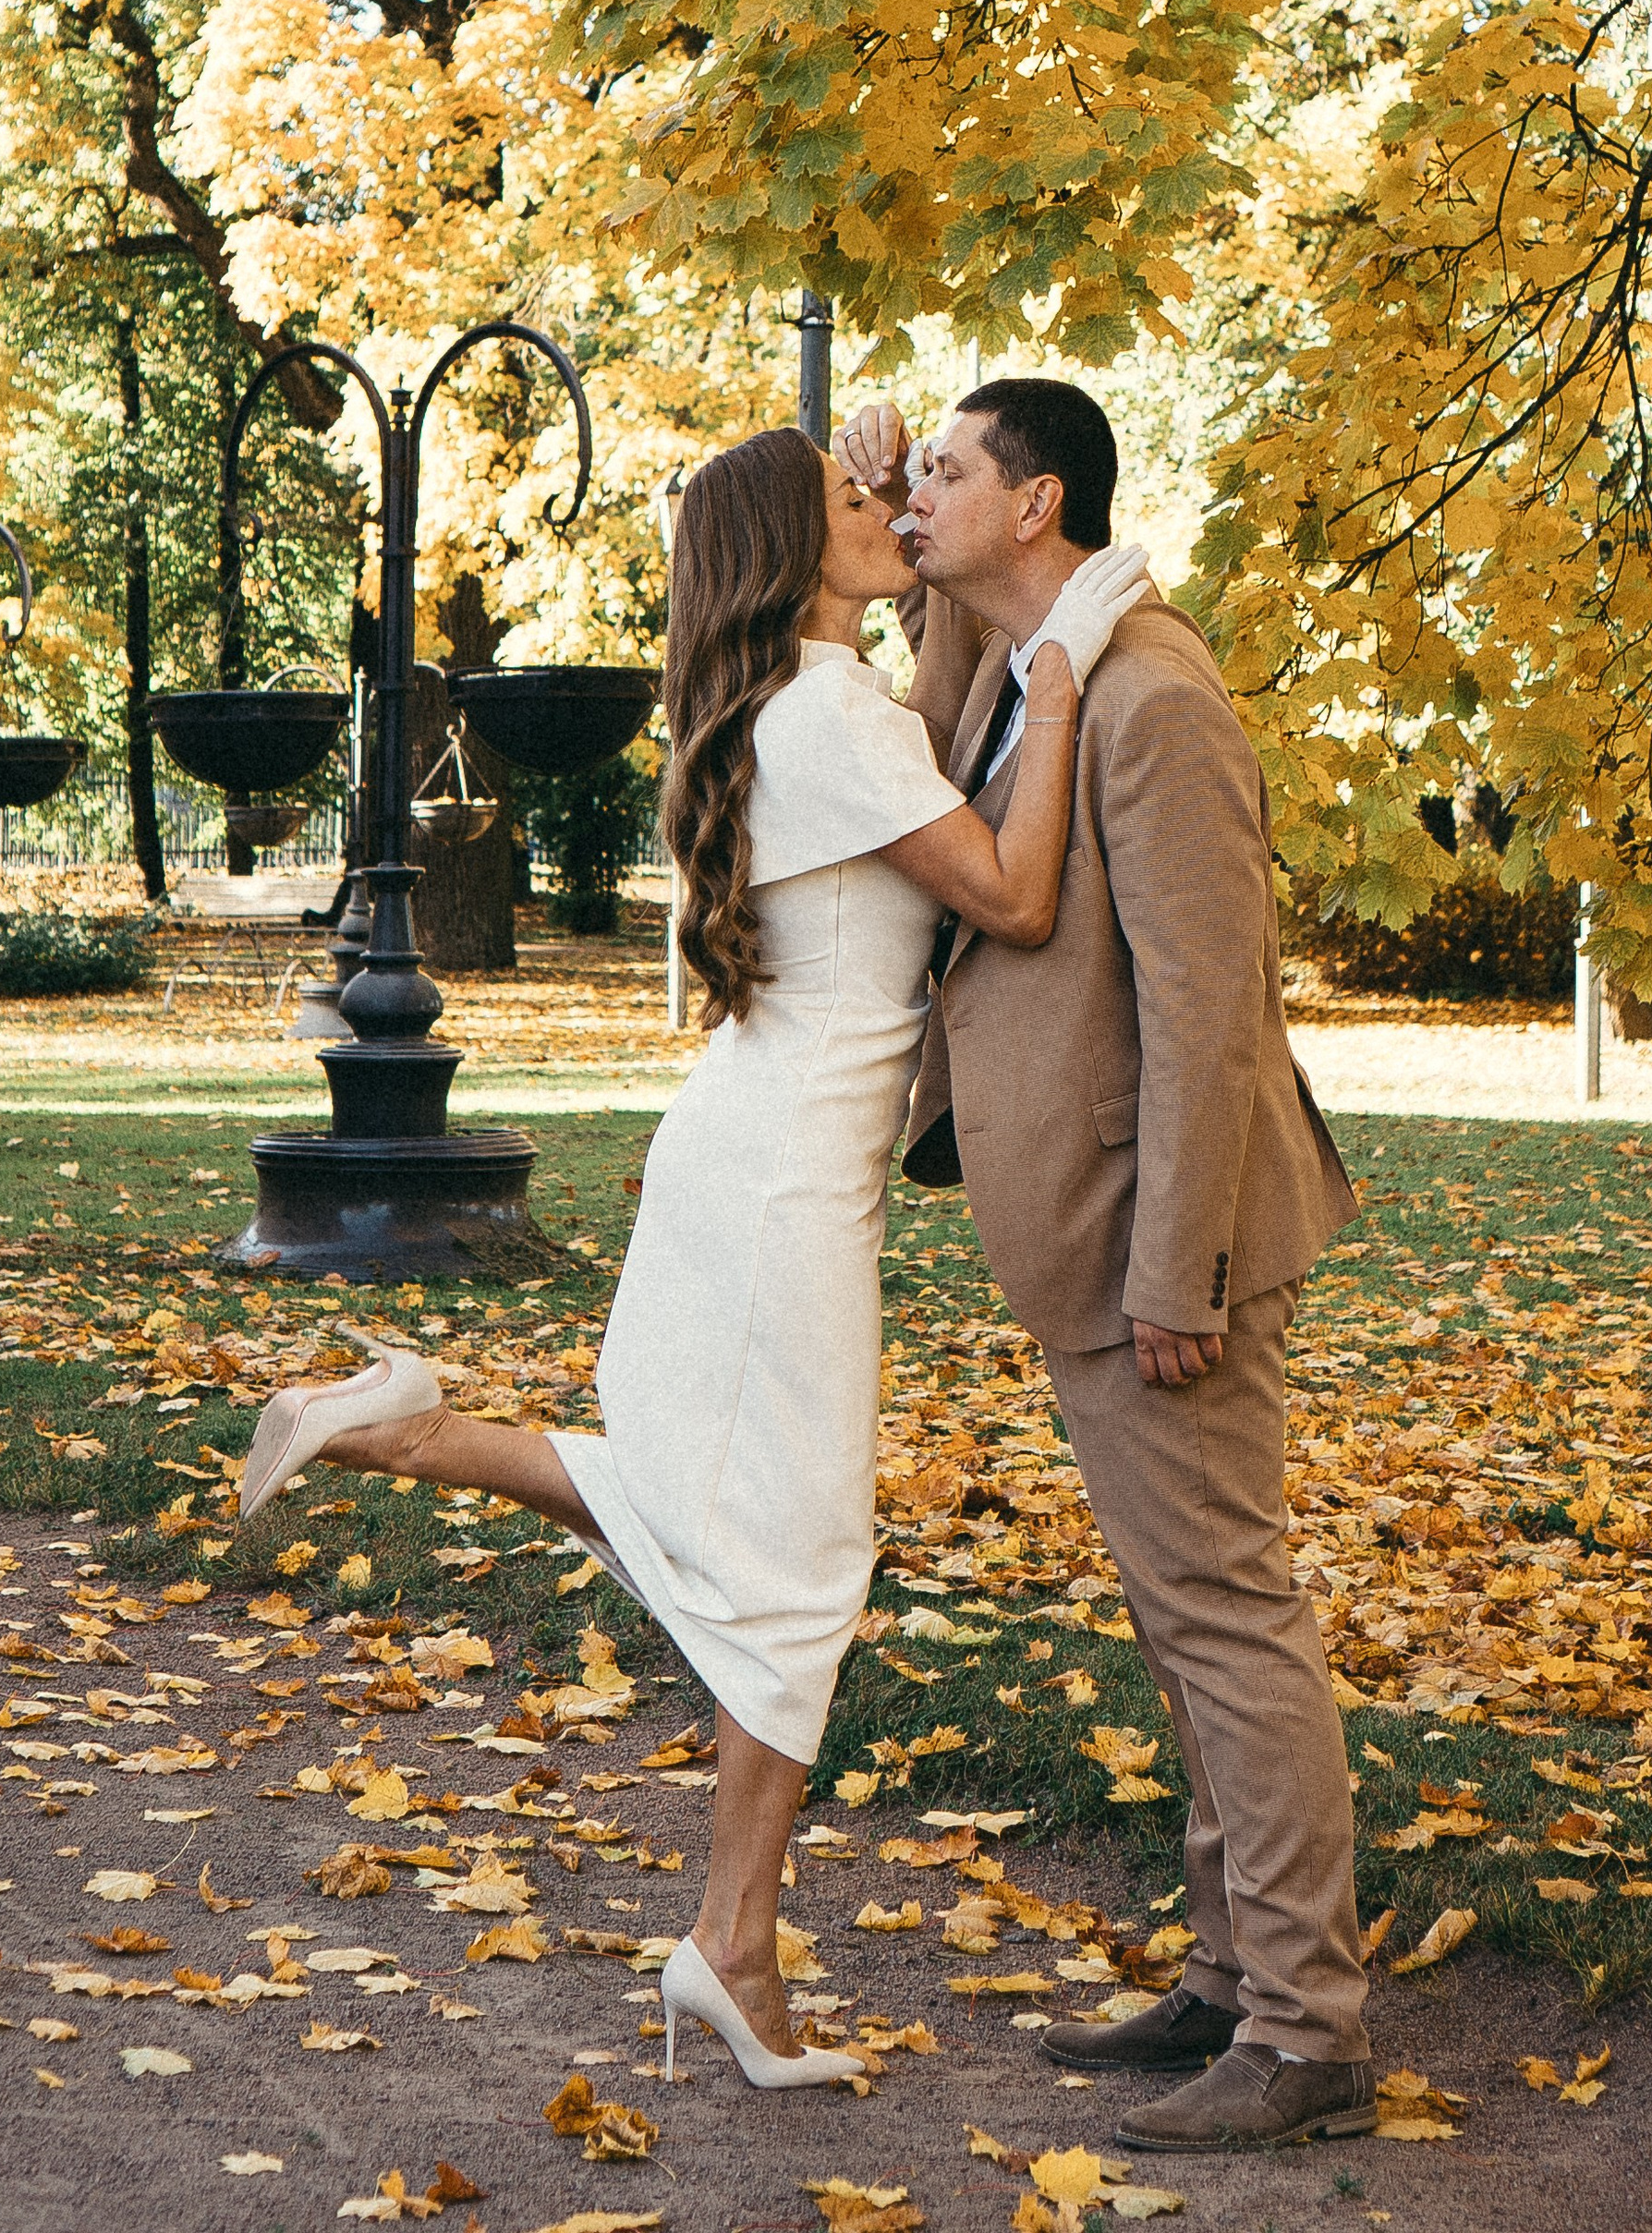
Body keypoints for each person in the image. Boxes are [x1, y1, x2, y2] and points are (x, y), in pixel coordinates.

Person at [237, 423, 1148, 2093]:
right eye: (859, 504)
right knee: (792, 1570)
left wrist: (920, 544)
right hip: (780, 1191)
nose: (893, 513)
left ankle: (401, 1426)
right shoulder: (827, 718)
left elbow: (938, 744)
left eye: (892, 492)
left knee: (721, 1518)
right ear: (793, 562)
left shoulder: (804, 714)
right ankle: (730, 1947)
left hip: (756, 1165)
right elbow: (1016, 898)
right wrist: (1069, 650)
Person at [839, 380, 1371, 2154]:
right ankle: (1232, 1979)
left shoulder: (1148, 696)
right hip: (1093, 1233)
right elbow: (915, 686)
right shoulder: (1016, 660)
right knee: (1181, 1621)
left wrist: (1181, 1270)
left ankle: (1304, 2035)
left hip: (1170, 1241)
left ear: (1040, 499)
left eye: (949, 474)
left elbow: (1214, 1012)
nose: (916, 498)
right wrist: (869, 491)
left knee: (1228, 1619)